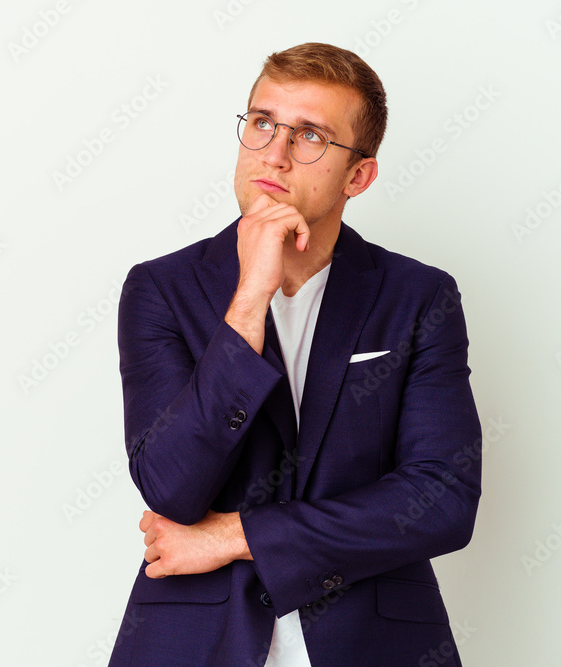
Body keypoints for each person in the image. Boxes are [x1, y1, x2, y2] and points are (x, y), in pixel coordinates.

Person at [108, 42, 481, 666]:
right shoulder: (161, 289)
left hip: (375, 643)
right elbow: (170, 487)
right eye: (262, 123)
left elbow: (442, 499)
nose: (274, 154)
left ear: (358, 176)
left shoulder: (418, 296)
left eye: (310, 136)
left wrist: (238, 535)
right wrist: (249, 301)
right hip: (196, 641)